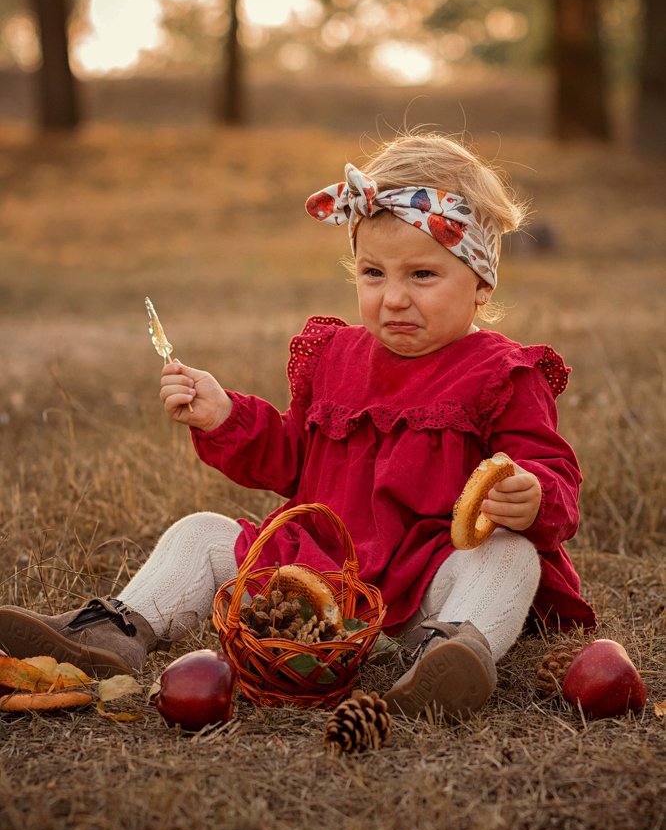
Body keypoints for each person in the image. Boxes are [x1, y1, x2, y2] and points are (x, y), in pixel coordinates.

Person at [0, 133, 596, 720]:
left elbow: (554, 471)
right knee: (200, 533)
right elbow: (292, 458)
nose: (393, 298)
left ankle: (450, 654)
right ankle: (118, 632)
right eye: (373, 273)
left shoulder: (502, 373)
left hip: (427, 576)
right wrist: (226, 415)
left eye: (422, 276)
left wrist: (532, 492)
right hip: (314, 568)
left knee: (509, 556)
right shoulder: (334, 355)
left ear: (481, 283)